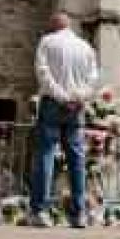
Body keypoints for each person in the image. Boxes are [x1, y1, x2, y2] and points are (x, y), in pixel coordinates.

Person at [28, 12, 99, 228]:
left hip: (53, 102)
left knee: (46, 154)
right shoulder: (86, 48)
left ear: (54, 25)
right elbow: (93, 78)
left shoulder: (47, 42)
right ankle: (79, 214)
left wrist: (62, 97)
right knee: (77, 159)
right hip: (76, 106)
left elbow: (43, 73)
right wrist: (78, 97)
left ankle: (40, 212)